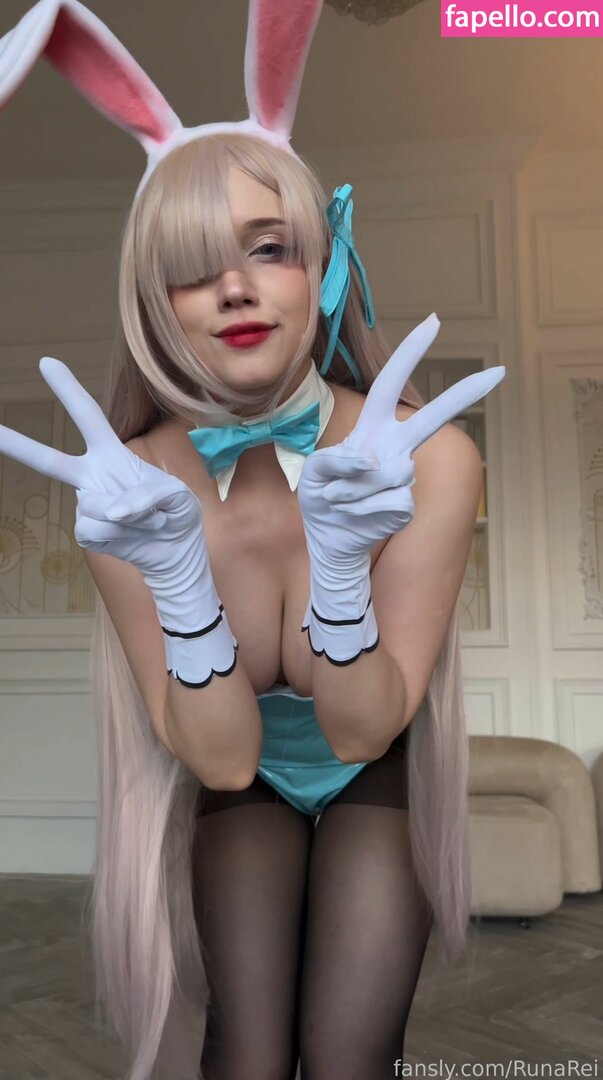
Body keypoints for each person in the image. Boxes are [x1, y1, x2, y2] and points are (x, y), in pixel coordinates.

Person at [0, 3, 505, 1078]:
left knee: (348, 1055)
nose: (234, 287)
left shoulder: (430, 461)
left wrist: (342, 569)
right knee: (248, 1055)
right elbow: (224, 758)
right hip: (243, 776)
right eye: (192, 268)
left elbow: (365, 731)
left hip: (371, 763)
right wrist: (178, 576)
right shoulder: (126, 493)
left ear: (324, 260)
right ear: (155, 304)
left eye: (268, 248)